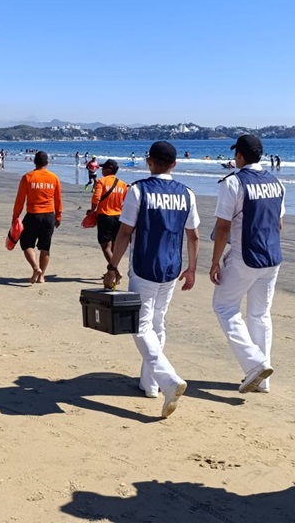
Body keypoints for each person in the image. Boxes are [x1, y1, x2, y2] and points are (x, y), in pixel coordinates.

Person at [103, 141, 199, 418]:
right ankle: (150, 384)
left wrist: (112, 265)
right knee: (158, 322)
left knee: (140, 325)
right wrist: (192, 268)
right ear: (174, 164)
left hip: (146, 265)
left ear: (149, 161)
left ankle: (168, 380)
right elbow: (193, 236)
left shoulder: (139, 190)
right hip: (171, 267)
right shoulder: (187, 194)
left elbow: (124, 233)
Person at [210, 135, 284, 394]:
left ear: (240, 156)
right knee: (260, 315)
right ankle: (262, 380)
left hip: (245, 256)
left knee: (224, 306)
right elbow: (279, 223)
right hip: (272, 257)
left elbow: (222, 227)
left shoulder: (233, 182)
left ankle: (255, 363)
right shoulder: (276, 182)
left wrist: (215, 261)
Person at [12, 150, 62, 283]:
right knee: (45, 247)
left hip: (33, 215)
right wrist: (58, 216)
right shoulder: (54, 178)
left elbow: (20, 200)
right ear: (47, 163)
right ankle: (42, 276)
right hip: (49, 216)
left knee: (26, 243)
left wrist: (15, 217)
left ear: (34, 162)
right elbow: (58, 199)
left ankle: (35, 267)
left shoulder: (28, 177)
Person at [89, 158, 128, 264]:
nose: (101, 170)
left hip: (105, 216)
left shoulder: (101, 182)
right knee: (114, 248)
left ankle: (114, 270)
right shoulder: (123, 184)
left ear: (108, 170)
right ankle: (112, 271)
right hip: (119, 217)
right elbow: (126, 202)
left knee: (106, 246)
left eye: (103, 168)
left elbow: (96, 197)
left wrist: (92, 210)